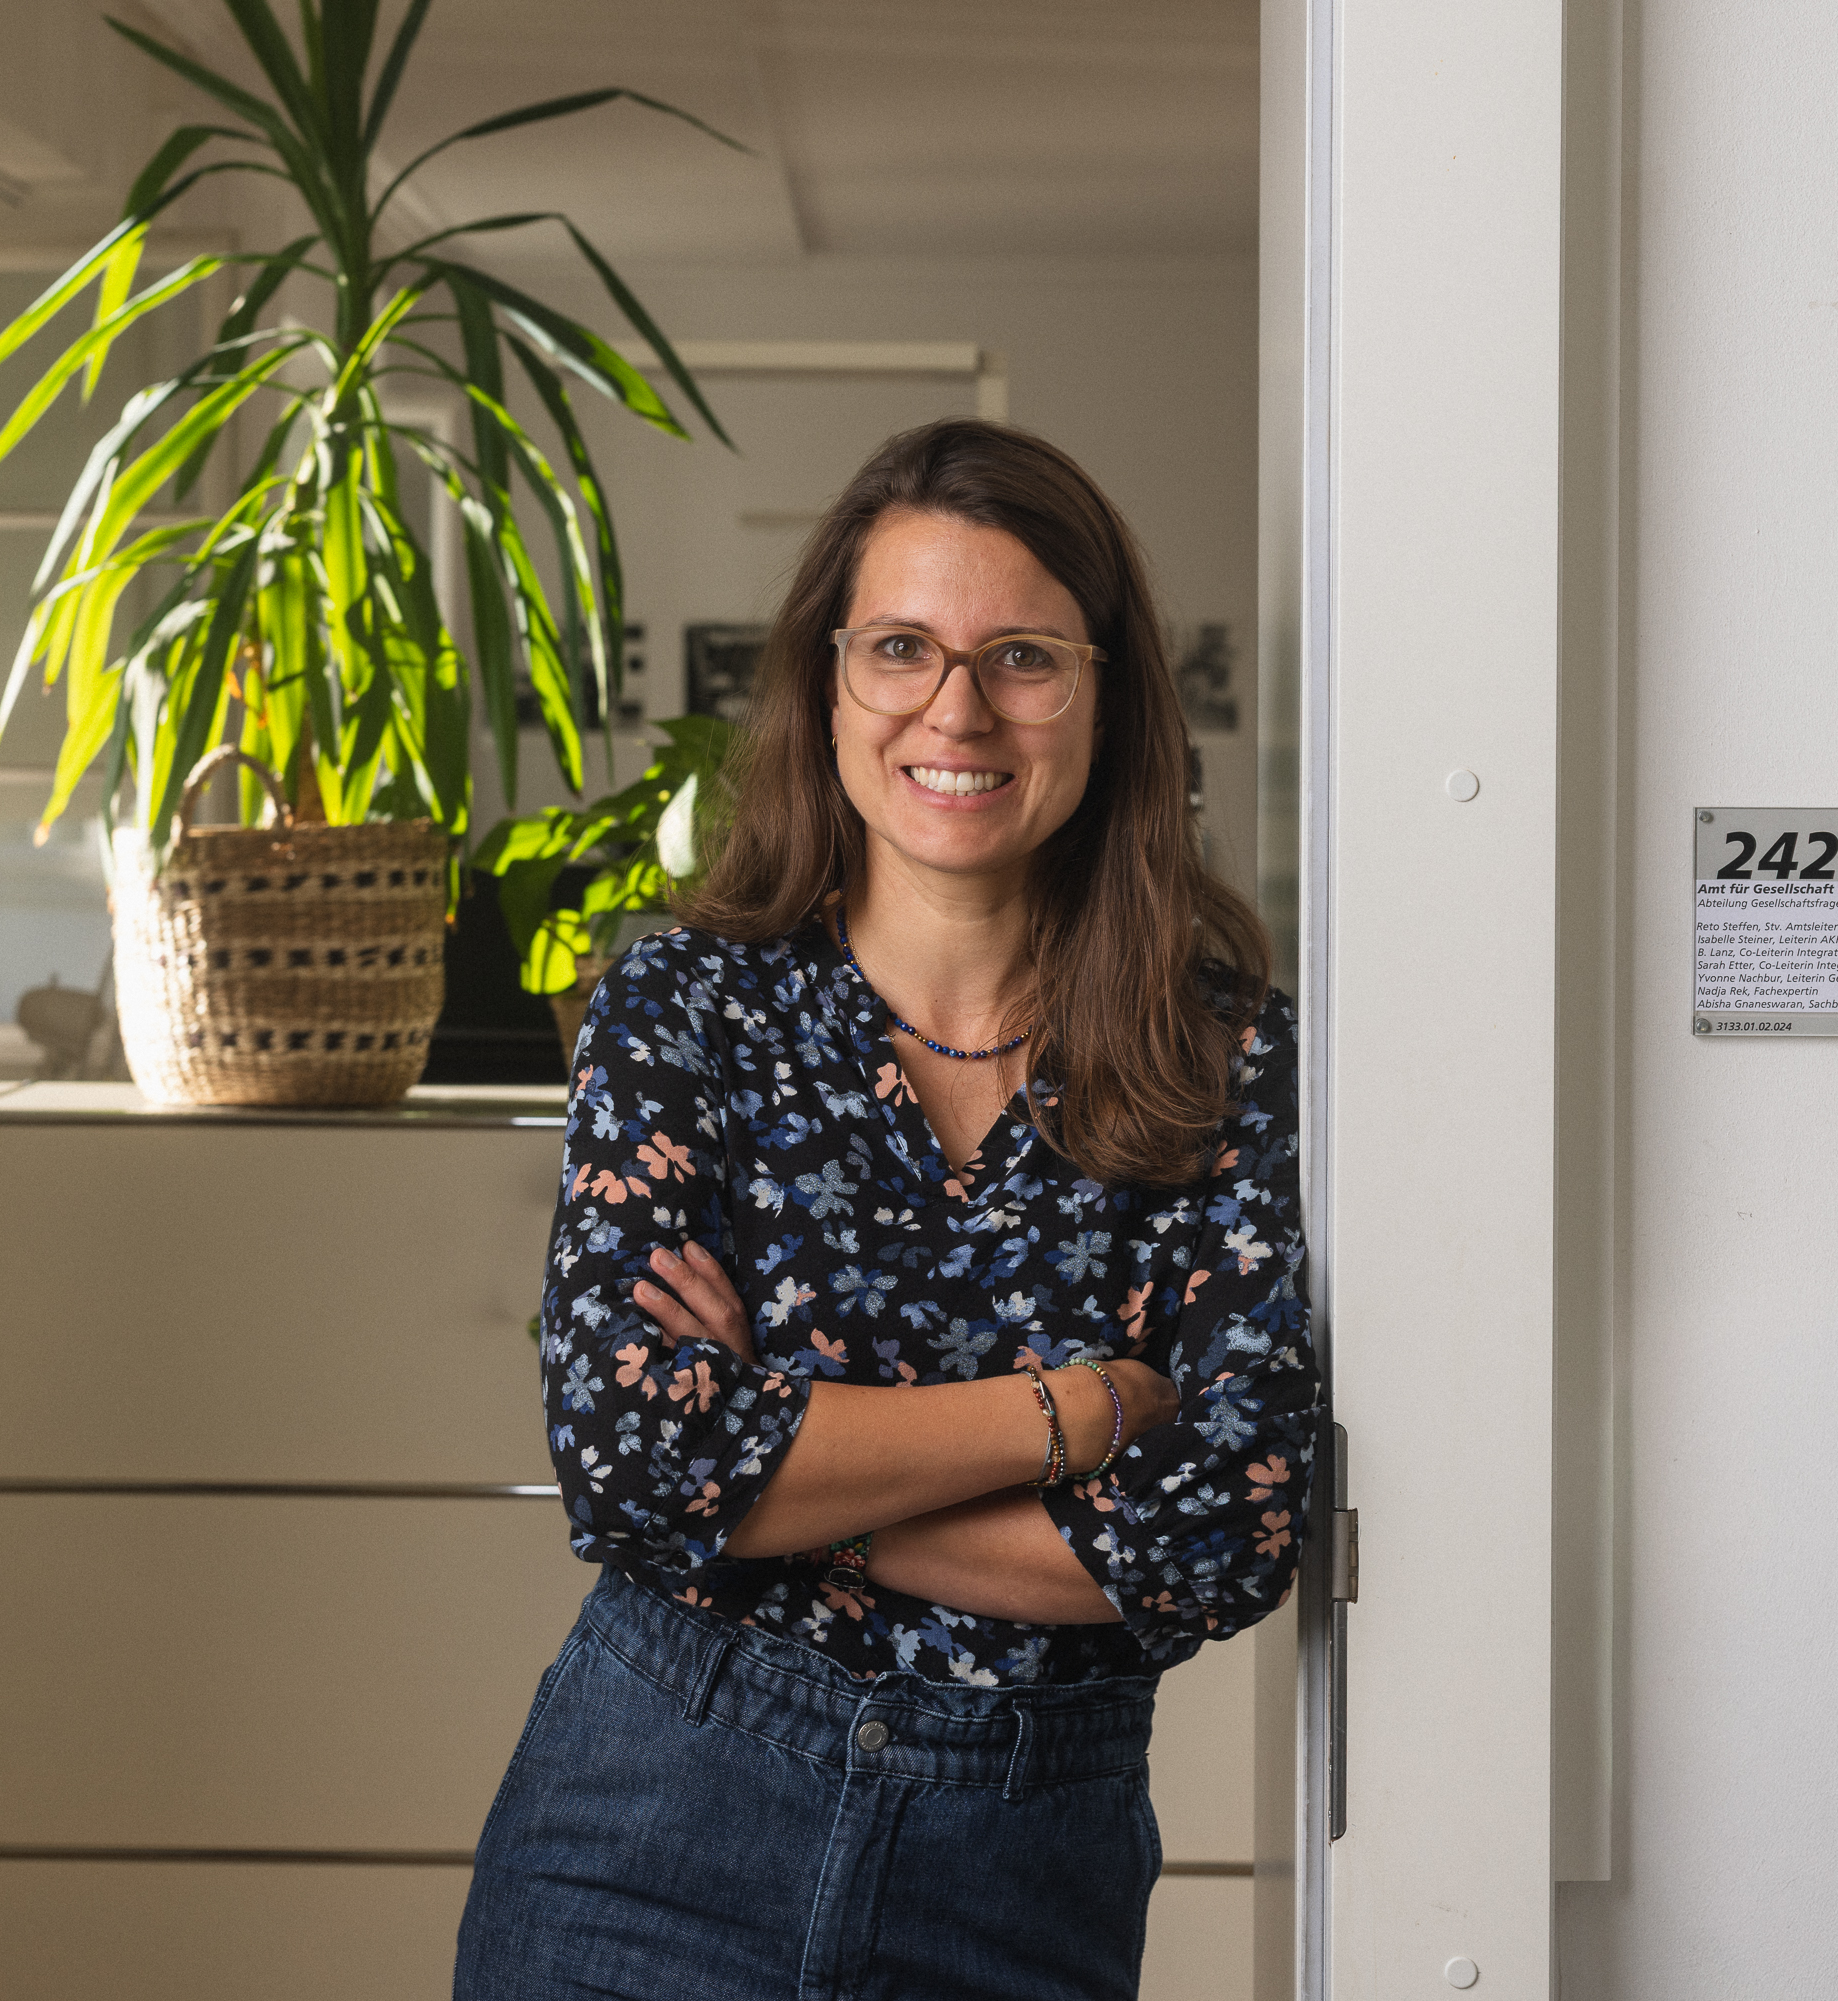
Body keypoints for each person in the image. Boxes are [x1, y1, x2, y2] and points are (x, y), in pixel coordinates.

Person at [454, 419, 1320, 2001]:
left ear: (1110, 692)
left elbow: (1222, 1531)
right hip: (649, 1827)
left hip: (1021, 1874)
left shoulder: (1230, 1052)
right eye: (902, 648)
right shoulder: (687, 1005)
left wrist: (776, 1462)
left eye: (1024, 658)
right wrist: (1085, 1408)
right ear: (830, 682)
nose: (957, 709)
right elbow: (634, 1456)